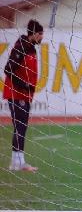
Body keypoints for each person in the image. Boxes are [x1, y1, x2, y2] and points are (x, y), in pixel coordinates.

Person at [3, 19, 44, 172]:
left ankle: (18, 162)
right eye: (40, 34)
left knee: (22, 127)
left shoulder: (30, 47)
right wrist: (24, 85)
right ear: (33, 34)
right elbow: (8, 69)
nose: (42, 37)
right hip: (17, 93)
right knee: (20, 126)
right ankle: (17, 163)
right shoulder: (21, 48)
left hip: (25, 95)